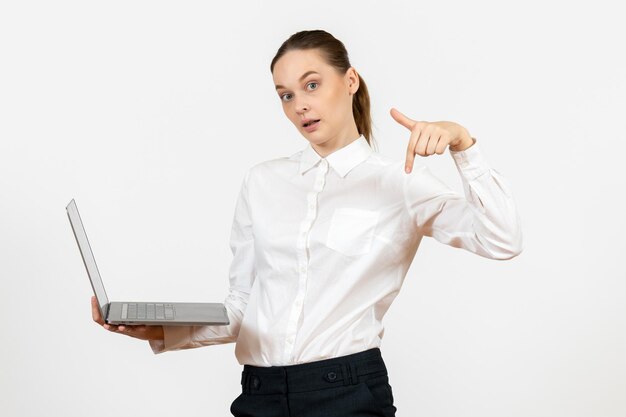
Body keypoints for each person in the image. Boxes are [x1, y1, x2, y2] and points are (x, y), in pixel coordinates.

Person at [91, 29, 523, 416]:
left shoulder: (399, 184)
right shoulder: (262, 181)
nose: (300, 106)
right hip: (259, 393)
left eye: (311, 85)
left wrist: (463, 144)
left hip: (348, 393)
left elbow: (503, 239)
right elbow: (242, 307)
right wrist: (163, 330)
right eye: (286, 95)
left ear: (349, 81)